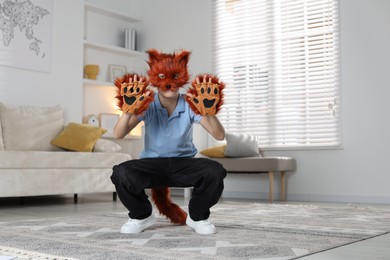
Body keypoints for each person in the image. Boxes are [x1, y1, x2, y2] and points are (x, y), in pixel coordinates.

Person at [110, 49, 227, 235]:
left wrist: (209, 112)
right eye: (163, 77)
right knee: (120, 173)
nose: (168, 84)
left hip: (184, 164)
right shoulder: (147, 104)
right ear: (155, 78)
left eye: (174, 77)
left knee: (215, 171)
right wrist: (128, 110)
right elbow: (118, 133)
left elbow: (219, 135)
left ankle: (197, 216)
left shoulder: (189, 103)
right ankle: (141, 216)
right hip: (152, 165)